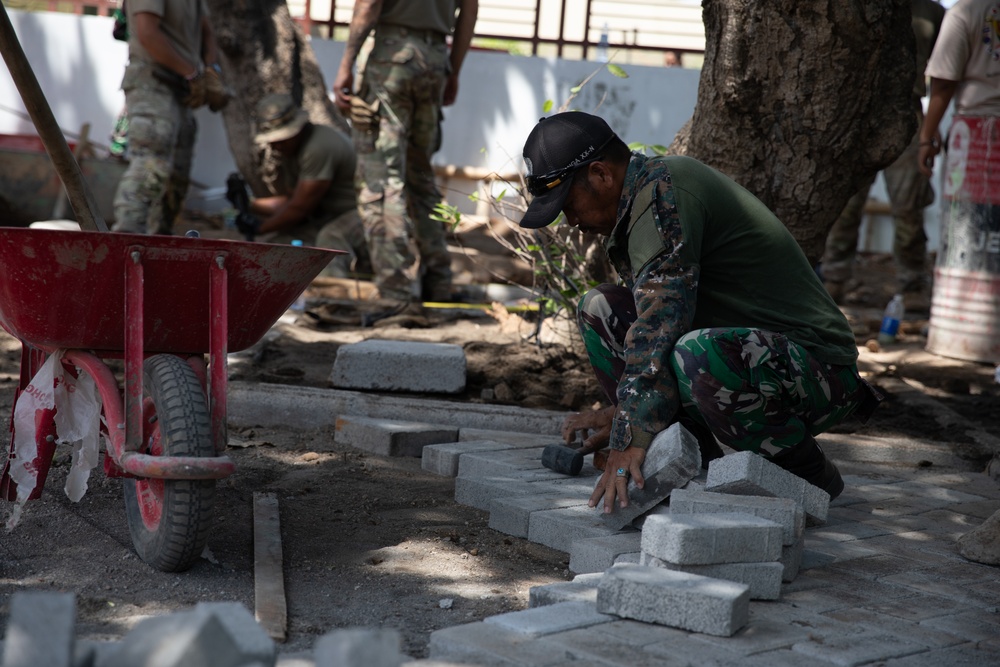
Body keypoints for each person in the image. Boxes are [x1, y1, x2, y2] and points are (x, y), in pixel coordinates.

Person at [520, 112, 881, 514]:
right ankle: (683, 460)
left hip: (820, 371)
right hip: (751, 356)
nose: (570, 220)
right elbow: (653, 327)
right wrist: (623, 413)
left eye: (568, 203)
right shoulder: (639, 198)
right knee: (599, 307)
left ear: (601, 175)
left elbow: (659, 330)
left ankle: (805, 472)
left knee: (694, 353)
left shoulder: (661, 197)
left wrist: (626, 438)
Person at [332, 0, 479, 303]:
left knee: (383, 180)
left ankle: (395, 288)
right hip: (435, 61)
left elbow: (369, 4)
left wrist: (346, 64)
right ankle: (439, 280)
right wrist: (453, 70)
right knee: (420, 177)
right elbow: (470, 10)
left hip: (392, 58)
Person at [821, 0, 945, 306]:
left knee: (909, 204)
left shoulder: (931, 12)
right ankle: (834, 278)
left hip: (906, 111)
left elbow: (944, 71)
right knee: (845, 203)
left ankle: (913, 282)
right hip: (856, 111)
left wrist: (932, 126)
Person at [111, 0, 229, 235]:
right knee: (151, 165)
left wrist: (211, 70)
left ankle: (159, 242)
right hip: (153, 83)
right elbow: (147, 32)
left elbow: (207, 29)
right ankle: (127, 237)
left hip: (182, 90)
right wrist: (193, 74)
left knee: (176, 179)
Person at [247, 93, 369, 278]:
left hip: (360, 213)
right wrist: (250, 205)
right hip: (329, 216)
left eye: (281, 138)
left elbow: (299, 208)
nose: (276, 145)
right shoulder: (290, 150)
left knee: (331, 238)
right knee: (278, 244)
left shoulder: (318, 147)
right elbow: (291, 200)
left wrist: (259, 228)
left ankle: (331, 298)